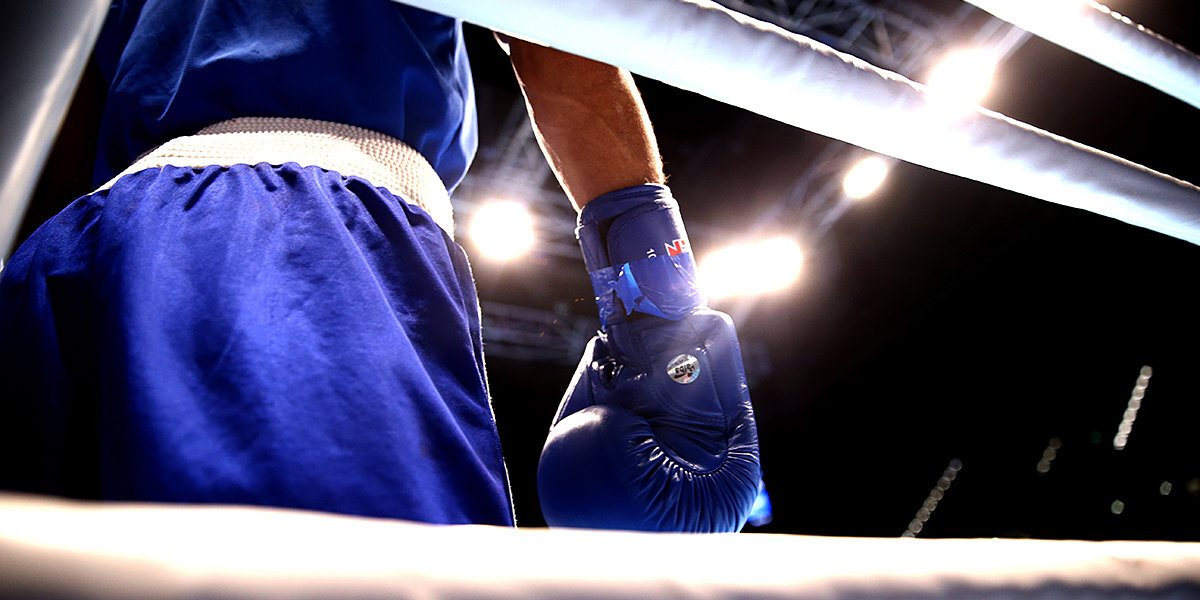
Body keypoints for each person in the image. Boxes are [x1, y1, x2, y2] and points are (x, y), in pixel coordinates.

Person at [0, 0, 759, 532]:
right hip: (303, 229)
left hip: (77, 250)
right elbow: (556, 37)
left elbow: (59, 96)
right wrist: (660, 305)